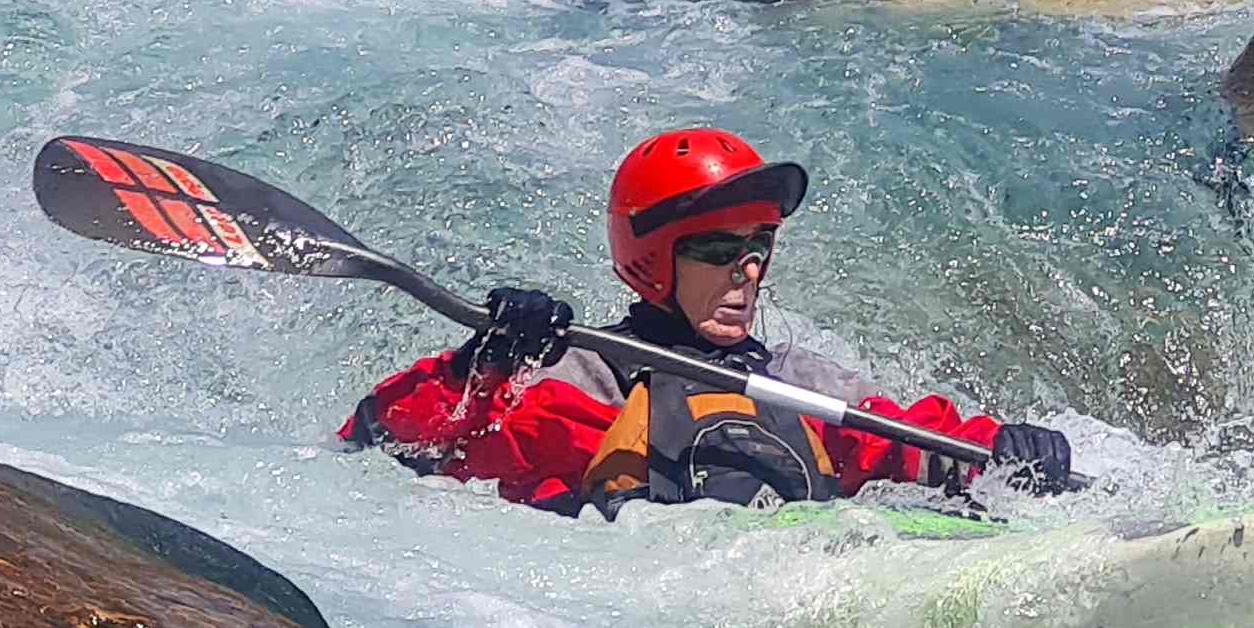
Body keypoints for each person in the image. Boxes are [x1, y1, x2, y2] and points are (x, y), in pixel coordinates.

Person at [342, 127, 1076, 516]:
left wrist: (1000, 448)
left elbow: (904, 442)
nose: (748, 270)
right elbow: (382, 438)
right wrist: (483, 364)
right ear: (654, 259)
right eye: (721, 250)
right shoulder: (580, 380)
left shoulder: (798, 381)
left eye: (759, 247)